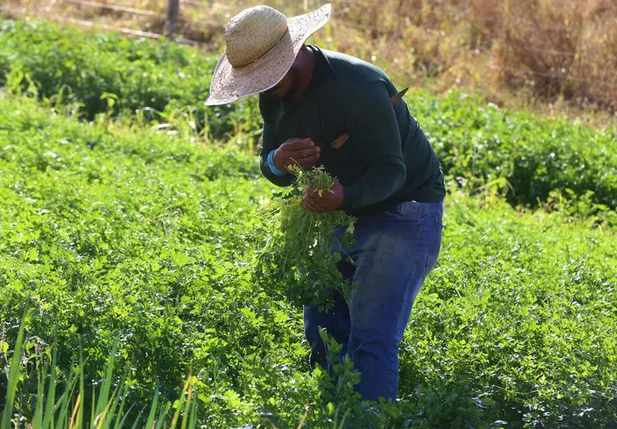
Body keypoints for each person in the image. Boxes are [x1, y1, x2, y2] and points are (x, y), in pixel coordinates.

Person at [206, 3, 445, 402]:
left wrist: (343, 196)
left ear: (292, 55)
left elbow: (392, 173)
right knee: (323, 324)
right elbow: (271, 164)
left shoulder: (358, 86)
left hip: (403, 211)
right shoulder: (275, 95)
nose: (262, 88)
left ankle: (367, 419)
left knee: (371, 337)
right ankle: (329, 413)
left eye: (267, 77)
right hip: (340, 212)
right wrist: (277, 161)